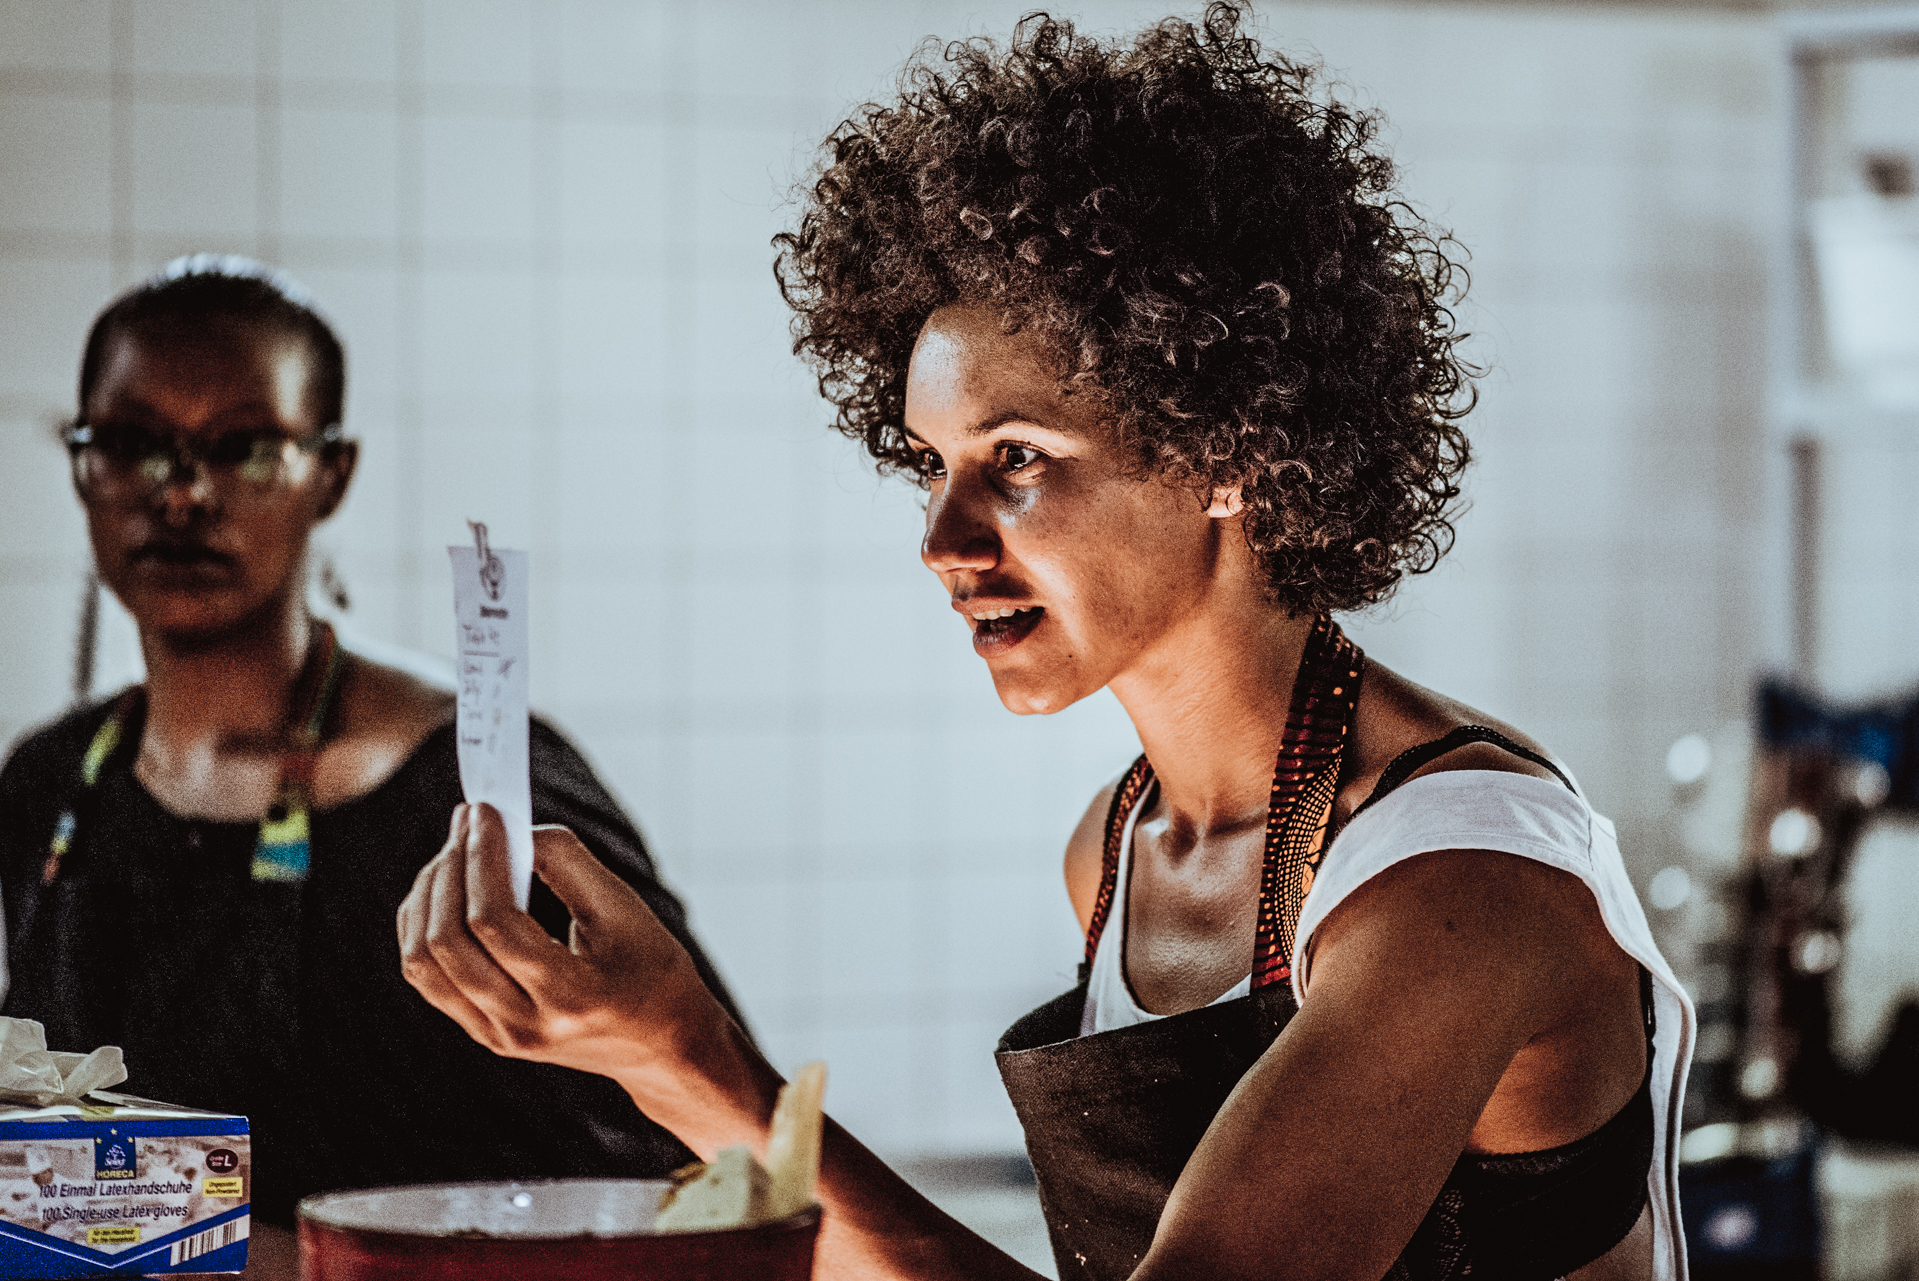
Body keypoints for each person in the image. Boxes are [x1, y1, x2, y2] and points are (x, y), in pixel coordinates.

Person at [398, 8, 1694, 1281]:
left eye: (1013, 460)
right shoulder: (1113, 849)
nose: (940, 537)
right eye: (931, 464)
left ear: (1229, 449)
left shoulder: (1456, 880)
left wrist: (685, 1056)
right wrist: (646, 1051)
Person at [0, 256, 741, 1273]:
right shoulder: (50, 785)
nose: (179, 496)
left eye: (245, 448)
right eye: (131, 447)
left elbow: (710, 1155)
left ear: (332, 473)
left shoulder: (473, 786)